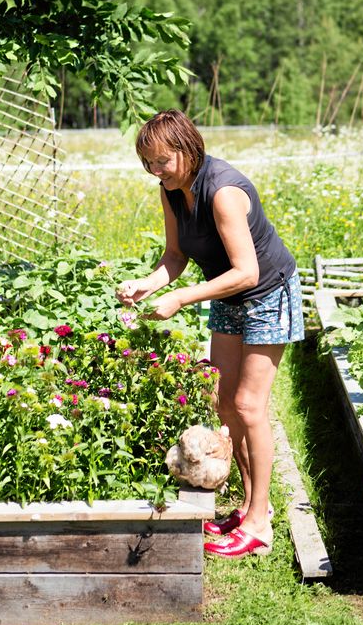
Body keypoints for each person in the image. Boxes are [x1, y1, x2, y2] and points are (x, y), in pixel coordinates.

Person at [116, 110, 304, 559]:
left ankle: (260, 523)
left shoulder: (223, 192)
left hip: (266, 292)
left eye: (161, 161)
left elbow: (247, 271)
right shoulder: (171, 191)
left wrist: (181, 299)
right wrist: (150, 282)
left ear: (186, 149)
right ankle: (248, 505)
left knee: (247, 405)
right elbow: (176, 255)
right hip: (227, 293)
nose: (155, 172)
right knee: (222, 402)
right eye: (147, 164)